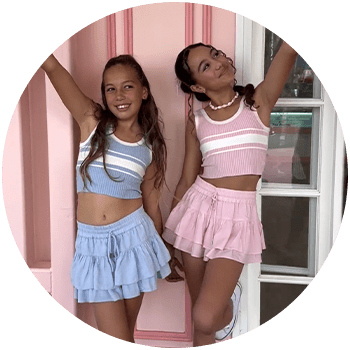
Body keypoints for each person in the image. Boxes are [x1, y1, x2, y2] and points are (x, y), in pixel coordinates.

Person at [163, 41, 298, 346]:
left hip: (237, 216)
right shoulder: (196, 121)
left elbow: (288, 52)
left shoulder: (258, 101)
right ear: (196, 85)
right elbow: (186, 181)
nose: (218, 62)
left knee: (206, 316)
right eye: (206, 66)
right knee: (201, 325)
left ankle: (228, 307)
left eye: (215, 54)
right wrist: (168, 239)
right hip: (197, 212)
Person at [41, 53, 182, 342]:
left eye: (128, 86)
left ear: (144, 91)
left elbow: (152, 204)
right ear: (104, 95)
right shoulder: (92, 121)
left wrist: (164, 253)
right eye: (110, 88)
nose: (119, 95)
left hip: (135, 239)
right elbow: (53, 68)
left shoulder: (150, 146)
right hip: (92, 245)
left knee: (124, 334)